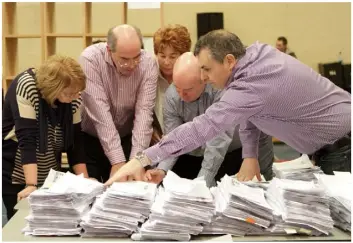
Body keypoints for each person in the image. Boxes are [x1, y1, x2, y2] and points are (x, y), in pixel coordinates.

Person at [105, 29, 351, 186]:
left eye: (207, 69)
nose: (203, 77)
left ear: (229, 61)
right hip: (333, 142)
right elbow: (253, 111)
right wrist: (250, 155)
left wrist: (143, 158)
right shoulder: (256, 55)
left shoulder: (249, 87)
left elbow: (204, 128)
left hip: (343, 148)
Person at [145, 53, 274, 187]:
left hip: (235, 150)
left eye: (187, 90)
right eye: (177, 88)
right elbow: (174, 139)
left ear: (203, 79)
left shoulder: (219, 88)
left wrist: (202, 182)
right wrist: (162, 169)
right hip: (195, 154)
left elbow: (218, 141)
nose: (181, 95)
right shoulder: (172, 96)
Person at [2, 55, 90, 220]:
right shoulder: (27, 86)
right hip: (18, 173)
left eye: (78, 92)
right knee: (21, 226)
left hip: (50, 175)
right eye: (69, 93)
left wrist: (85, 182)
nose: (75, 97)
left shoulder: (73, 96)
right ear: (53, 88)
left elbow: (76, 142)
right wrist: (31, 185)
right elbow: (27, 139)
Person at [79, 24, 159, 183]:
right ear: (109, 50)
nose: (131, 65)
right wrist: (118, 162)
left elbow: (144, 115)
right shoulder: (90, 59)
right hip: (91, 140)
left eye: (136, 57)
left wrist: (137, 162)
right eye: (124, 59)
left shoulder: (149, 62)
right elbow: (101, 116)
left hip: (128, 140)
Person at [153, 24, 192, 133]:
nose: (166, 62)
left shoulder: (192, 77)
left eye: (172, 56)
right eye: (162, 56)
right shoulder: (150, 76)